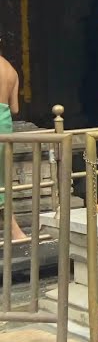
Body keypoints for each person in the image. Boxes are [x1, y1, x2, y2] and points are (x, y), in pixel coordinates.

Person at [0, 51, 22, 242]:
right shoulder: (11, 70)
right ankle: (15, 230)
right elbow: (15, 108)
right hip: (5, 126)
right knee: (2, 179)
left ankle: (14, 229)